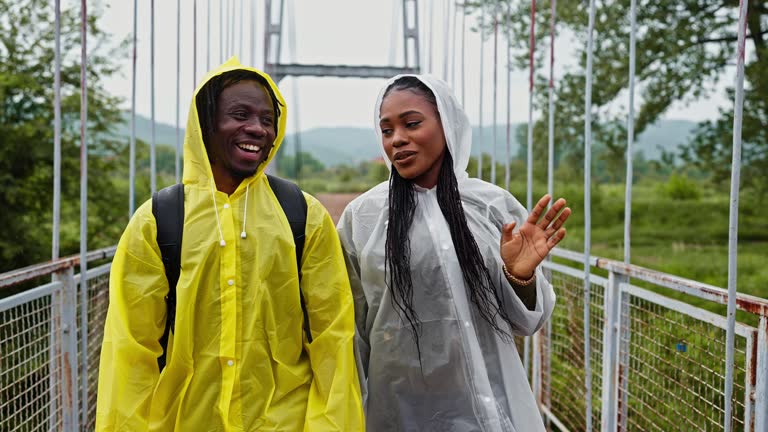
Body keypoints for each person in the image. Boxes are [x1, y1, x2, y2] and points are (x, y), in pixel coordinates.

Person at [96, 58, 364, 431]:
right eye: (240, 115)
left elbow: (333, 338)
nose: (257, 129)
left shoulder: (304, 215)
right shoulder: (158, 221)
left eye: (268, 120)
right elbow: (131, 349)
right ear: (206, 125)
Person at [337, 74, 570, 431]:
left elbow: (527, 322)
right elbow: (350, 333)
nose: (398, 139)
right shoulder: (363, 219)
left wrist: (519, 277)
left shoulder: (492, 207)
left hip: (495, 412)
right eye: (387, 131)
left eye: (412, 124)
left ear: (448, 124)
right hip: (401, 414)